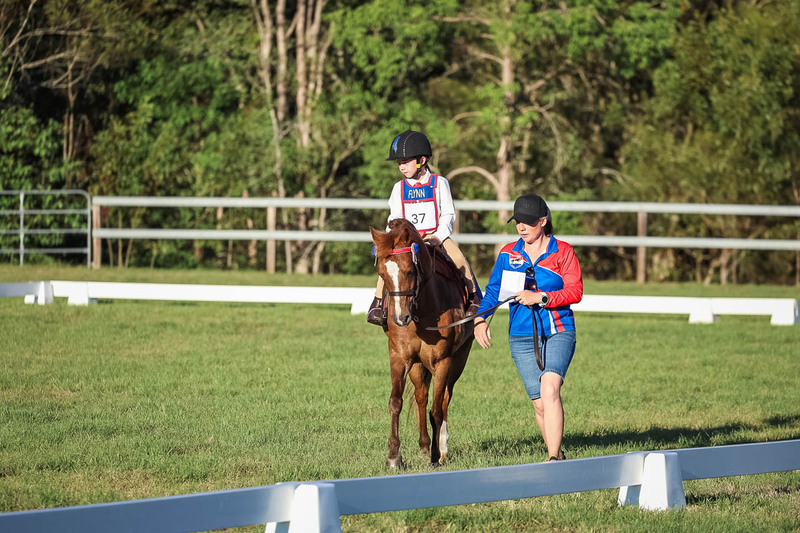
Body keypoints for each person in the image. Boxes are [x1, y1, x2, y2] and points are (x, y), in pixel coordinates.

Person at [473, 193, 583, 461]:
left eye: (527, 222)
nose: (521, 227)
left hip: (559, 329)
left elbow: (575, 291)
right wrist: (480, 318)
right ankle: (557, 454)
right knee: (539, 403)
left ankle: (554, 459)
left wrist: (541, 298)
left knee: (549, 389)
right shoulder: (508, 254)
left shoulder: (563, 252)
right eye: (517, 222)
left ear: (543, 221)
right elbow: (494, 291)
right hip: (521, 335)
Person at [367, 130, 482, 326]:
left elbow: (448, 214)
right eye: (399, 163)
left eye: (405, 161)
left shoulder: (439, 183)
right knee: (388, 265)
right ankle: (378, 303)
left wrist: (439, 236)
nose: (401, 167)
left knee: (458, 258)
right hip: (406, 241)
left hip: (434, 236)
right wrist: (388, 240)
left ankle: (473, 297)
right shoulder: (398, 188)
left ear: (422, 160)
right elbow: (394, 218)